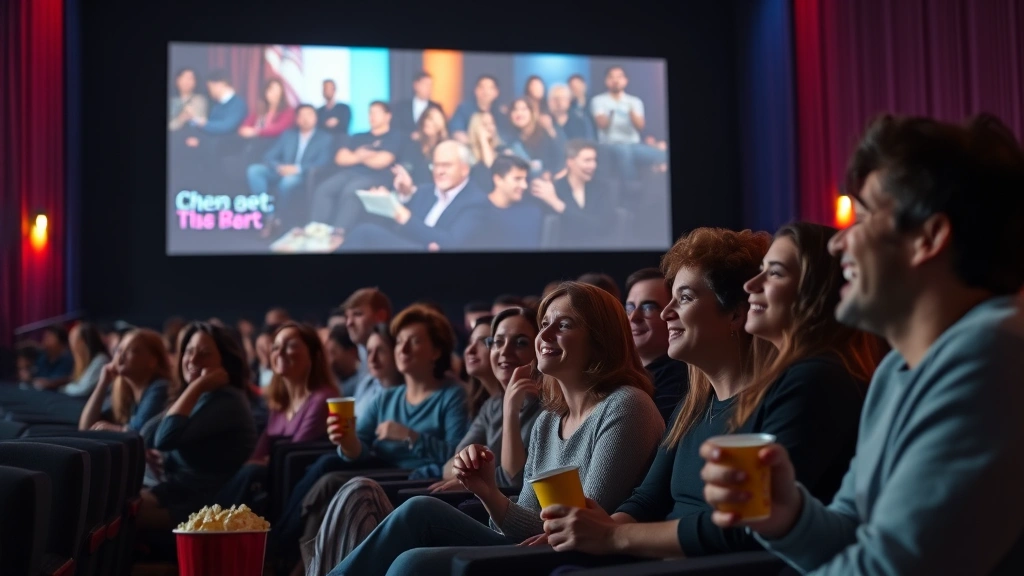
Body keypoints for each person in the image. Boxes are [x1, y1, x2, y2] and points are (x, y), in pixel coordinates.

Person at [700, 114, 1024, 574]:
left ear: (927, 238)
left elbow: (890, 568)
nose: (837, 246)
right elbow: (853, 528)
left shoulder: (994, 356)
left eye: (865, 215)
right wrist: (787, 515)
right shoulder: (897, 370)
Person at [536, 224, 878, 564]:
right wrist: (596, 531)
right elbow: (647, 501)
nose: (667, 312)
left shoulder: (812, 380)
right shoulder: (696, 402)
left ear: (734, 314)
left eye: (684, 298)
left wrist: (612, 537)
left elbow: (746, 525)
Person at [328, 282, 665, 576]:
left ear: (600, 340)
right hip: (539, 546)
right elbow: (531, 520)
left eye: (563, 326)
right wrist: (487, 491)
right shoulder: (549, 420)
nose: (544, 336)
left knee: (413, 563)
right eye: (544, 324)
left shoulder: (626, 405)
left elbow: (578, 532)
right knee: (419, 508)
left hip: (581, 558)